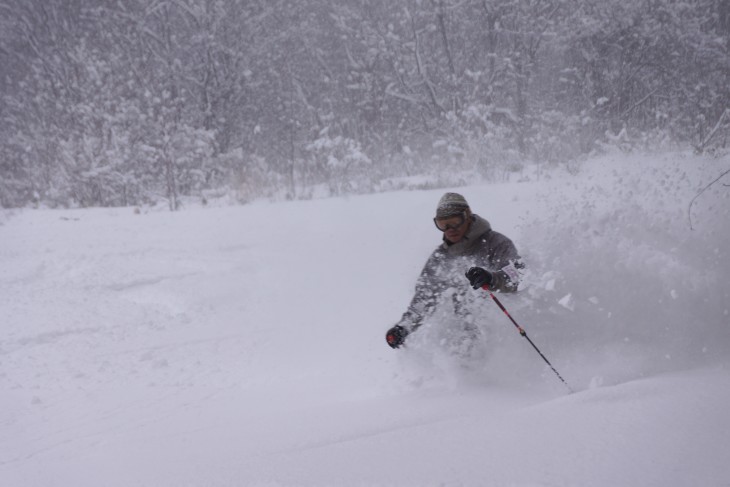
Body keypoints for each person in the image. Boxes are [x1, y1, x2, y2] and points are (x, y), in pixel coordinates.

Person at [385, 192, 523, 349]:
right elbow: (425, 297)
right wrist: (404, 328)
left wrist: (492, 279)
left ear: (467, 216)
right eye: (442, 224)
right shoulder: (440, 258)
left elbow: (518, 277)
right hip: (467, 342)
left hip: (503, 339)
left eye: (455, 222)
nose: (449, 229)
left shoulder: (496, 244)